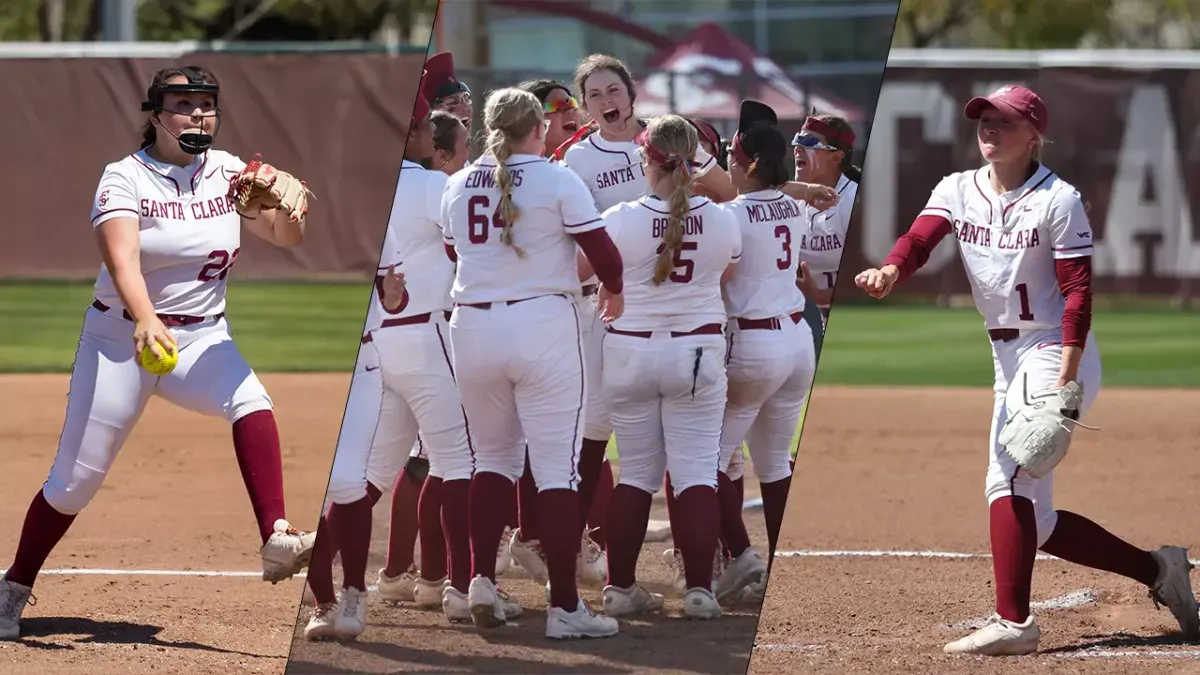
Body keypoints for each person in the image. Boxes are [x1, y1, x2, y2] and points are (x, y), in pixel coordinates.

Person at [855, 84, 1198, 656]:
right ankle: (1159, 570)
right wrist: (891, 269)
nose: (989, 129)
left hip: (1053, 350)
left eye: (1004, 122)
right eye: (984, 120)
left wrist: (1066, 381)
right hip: (1005, 356)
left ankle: (1014, 624)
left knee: (1008, 474)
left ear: (1033, 135)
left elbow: (1078, 296)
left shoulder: (1057, 198)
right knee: (1032, 518)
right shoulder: (957, 188)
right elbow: (920, 240)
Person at [0, 66, 316, 641]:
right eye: (183, 104)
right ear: (154, 114)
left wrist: (284, 211)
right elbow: (120, 256)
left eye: (207, 105)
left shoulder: (228, 172)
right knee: (74, 483)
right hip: (122, 338)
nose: (198, 115)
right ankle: (13, 586)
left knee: (252, 400)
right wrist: (146, 318)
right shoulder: (124, 176)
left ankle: (275, 535)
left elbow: (287, 238)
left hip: (201, 338)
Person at [440, 87, 625, 639]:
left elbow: (455, 250)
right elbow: (607, 257)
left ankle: (479, 581)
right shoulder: (556, 177)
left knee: (491, 461)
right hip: (541, 323)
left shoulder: (457, 182)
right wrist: (613, 290)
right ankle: (565, 607)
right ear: (537, 128)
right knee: (557, 471)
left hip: (471, 325)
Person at [592, 113, 740, 621]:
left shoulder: (619, 217)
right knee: (696, 473)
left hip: (631, 350)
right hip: (695, 352)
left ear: (646, 158)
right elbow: (730, 267)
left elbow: (587, 271)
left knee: (636, 475)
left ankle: (619, 587)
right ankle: (700, 590)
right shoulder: (723, 217)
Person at [502, 78, 610, 590]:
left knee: (579, 435)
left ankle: (546, 541)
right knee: (552, 438)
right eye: (557, 107)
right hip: (556, 313)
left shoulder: (567, 168)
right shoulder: (548, 179)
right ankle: (532, 538)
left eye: (572, 104)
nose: (569, 112)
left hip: (559, 313)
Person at [712, 101, 815, 606]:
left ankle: (740, 558)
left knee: (702, 463)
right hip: (797, 340)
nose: (728, 162)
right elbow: (777, 199)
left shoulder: (729, 215)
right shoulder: (794, 205)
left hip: (752, 342)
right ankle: (781, 569)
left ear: (746, 162)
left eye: (732, 155)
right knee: (774, 464)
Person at [792, 112, 860, 327]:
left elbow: (871, 274)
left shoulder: (851, 201)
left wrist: (821, 296)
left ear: (837, 155)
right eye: (796, 139)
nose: (797, 147)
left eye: (808, 141)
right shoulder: (794, 200)